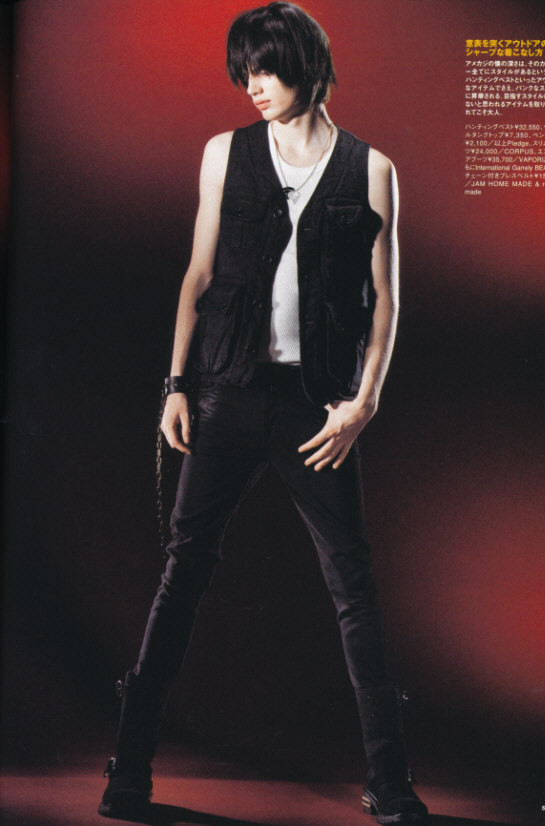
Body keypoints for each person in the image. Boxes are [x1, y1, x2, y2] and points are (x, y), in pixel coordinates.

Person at [98, 3, 429, 824]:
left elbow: (386, 301)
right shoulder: (226, 153)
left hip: (319, 408)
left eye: (266, 68)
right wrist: (175, 386)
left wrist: (364, 402)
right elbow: (199, 274)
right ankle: (128, 769)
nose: (252, 85)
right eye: (243, 71)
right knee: (184, 570)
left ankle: (391, 783)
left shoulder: (372, 169)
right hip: (227, 391)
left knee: (352, 583)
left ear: (307, 66)